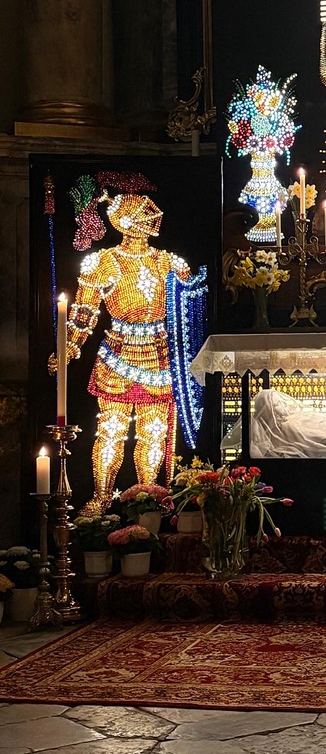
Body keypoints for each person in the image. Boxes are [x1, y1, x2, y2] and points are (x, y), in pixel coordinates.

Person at [50, 172, 205, 515]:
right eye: (143, 214)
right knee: (111, 430)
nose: (151, 219)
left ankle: (148, 500)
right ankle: (102, 497)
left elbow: (191, 308)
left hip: (161, 355)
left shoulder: (170, 262)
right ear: (124, 222)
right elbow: (84, 311)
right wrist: (69, 345)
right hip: (118, 353)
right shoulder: (103, 261)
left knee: (153, 431)